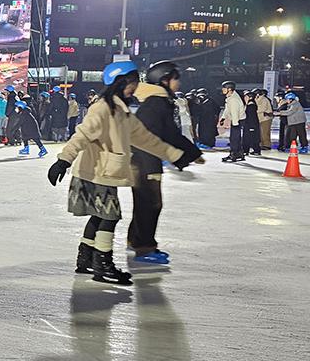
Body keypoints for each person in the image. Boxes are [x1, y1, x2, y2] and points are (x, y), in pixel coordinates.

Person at [46, 61, 199, 285]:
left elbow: (146, 139)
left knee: (99, 216)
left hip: (103, 170)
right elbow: (83, 134)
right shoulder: (104, 108)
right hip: (98, 171)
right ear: (121, 82)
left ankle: (85, 258)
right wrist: (63, 160)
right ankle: (103, 264)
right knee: (110, 216)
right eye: (133, 82)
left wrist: (176, 155)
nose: (135, 87)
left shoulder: (122, 111)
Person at [127, 62, 204, 265]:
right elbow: (169, 133)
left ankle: (135, 239)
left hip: (141, 158)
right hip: (145, 159)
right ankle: (145, 248)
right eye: (176, 79)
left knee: (144, 202)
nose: (178, 83)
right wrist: (192, 153)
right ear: (164, 80)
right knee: (151, 204)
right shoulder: (158, 102)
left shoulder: (155, 101)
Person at [218, 80, 246, 163]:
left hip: (237, 120)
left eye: (224, 88)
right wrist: (223, 117)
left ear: (229, 89)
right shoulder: (230, 97)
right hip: (237, 120)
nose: (222, 90)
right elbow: (227, 109)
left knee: (234, 138)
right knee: (235, 138)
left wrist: (235, 124)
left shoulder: (233, 99)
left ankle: (233, 154)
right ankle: (239, 153)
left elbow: (234, 112)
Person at [241, 90, 262, 156]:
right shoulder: (250, 104)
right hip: (250, 124)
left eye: (246, 96)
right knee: (250, 138)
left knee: (251, 138)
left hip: (250, 125)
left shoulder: (251, 105)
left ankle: (253, 150)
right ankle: (248, 150)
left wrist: (251, 127)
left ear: (250, 97)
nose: (244, 98)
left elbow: (252, 117)